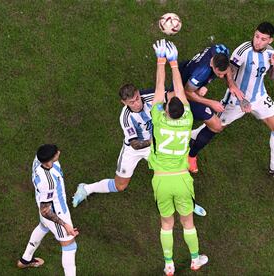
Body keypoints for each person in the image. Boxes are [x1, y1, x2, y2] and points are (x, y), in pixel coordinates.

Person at [71, 85, 206, 216]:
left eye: (137, 98)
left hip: (154, 147)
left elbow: (176, 94)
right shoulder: (126, 118)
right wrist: (154, 141)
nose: (137, 103)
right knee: (120, 186)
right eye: (132, 102)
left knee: (175, 173)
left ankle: (189, 204)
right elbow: (135, 144)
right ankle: (86, 189)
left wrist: (196, 91)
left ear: (138, 93)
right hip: (134, 150)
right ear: (124, 103)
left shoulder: (149, 97)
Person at [191, 22, 274, 181]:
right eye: (256, 36)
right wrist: (240, 99)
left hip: (260, 97)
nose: (258, 41)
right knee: (216, 126)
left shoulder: (271, 53)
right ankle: (191, 141)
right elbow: (228, 75)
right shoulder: (242, 51)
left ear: (270, 41)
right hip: (235, 100)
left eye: (263, 39)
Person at [150, 39, 208, 276]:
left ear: (165, 111)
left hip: (161, 180)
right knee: (187, 223)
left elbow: (158, 87)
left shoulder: (158, 120)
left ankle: (169, 264)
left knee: (166, 224)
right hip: (182, 179)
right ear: (182, 111)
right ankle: (195, 260)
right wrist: (174, 64)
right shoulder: (187, 121)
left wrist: (161, 61)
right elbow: (181, 92)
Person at [178, 43, 250, 173]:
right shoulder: (201, 72)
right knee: (216, 126)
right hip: (183, 92)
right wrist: (211, 103)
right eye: (219, 74)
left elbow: (227, 70)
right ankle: (190, 155)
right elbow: (188, 92)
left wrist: (231, 84)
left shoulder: (221, 50)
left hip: (191, 78)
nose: (221, 76)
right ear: (212, 65)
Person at [17, 144, 79, 276]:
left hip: (43, 202)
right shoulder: (48, 182)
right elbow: (45, 211)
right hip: (56, 213)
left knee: (43, 226)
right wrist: (64, 224)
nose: (59, 152)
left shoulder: (38, 159)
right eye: (56, 152)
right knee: (70, 247)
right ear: (50, 160)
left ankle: (25, 259)